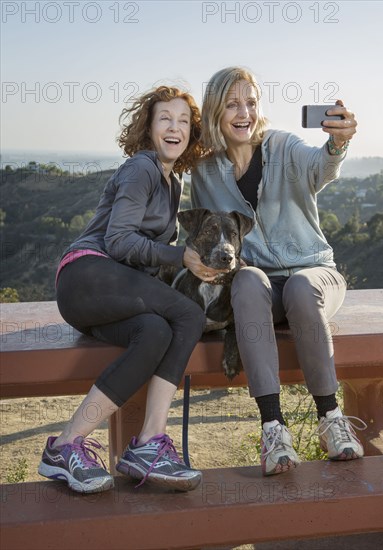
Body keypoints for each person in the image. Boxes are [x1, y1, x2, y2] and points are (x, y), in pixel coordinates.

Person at [38, 85, 219, 493]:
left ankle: (64, 448)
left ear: (193, 133)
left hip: (107, 297)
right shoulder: (143, 168)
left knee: (155, 330)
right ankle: (149, 441)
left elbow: (145, 264)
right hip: (87, 273)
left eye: (184, 121)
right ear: (148, 127)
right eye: (165, 119)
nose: (175, 128)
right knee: (188, 315)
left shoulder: (172, 184)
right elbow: (118, 242)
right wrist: (182, 256)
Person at [191, 67, 366, 477]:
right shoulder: (204, 170)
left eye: (251, 102)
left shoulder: (284, 146)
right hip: (262, 287)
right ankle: (273, 429)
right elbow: (205, 233)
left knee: (302, 288)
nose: (244, 112)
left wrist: (337, 143)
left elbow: (320, 168)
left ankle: (331, 418)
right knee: (248, 279)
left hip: (313, 273)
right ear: (216, 110)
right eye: (233, 103)